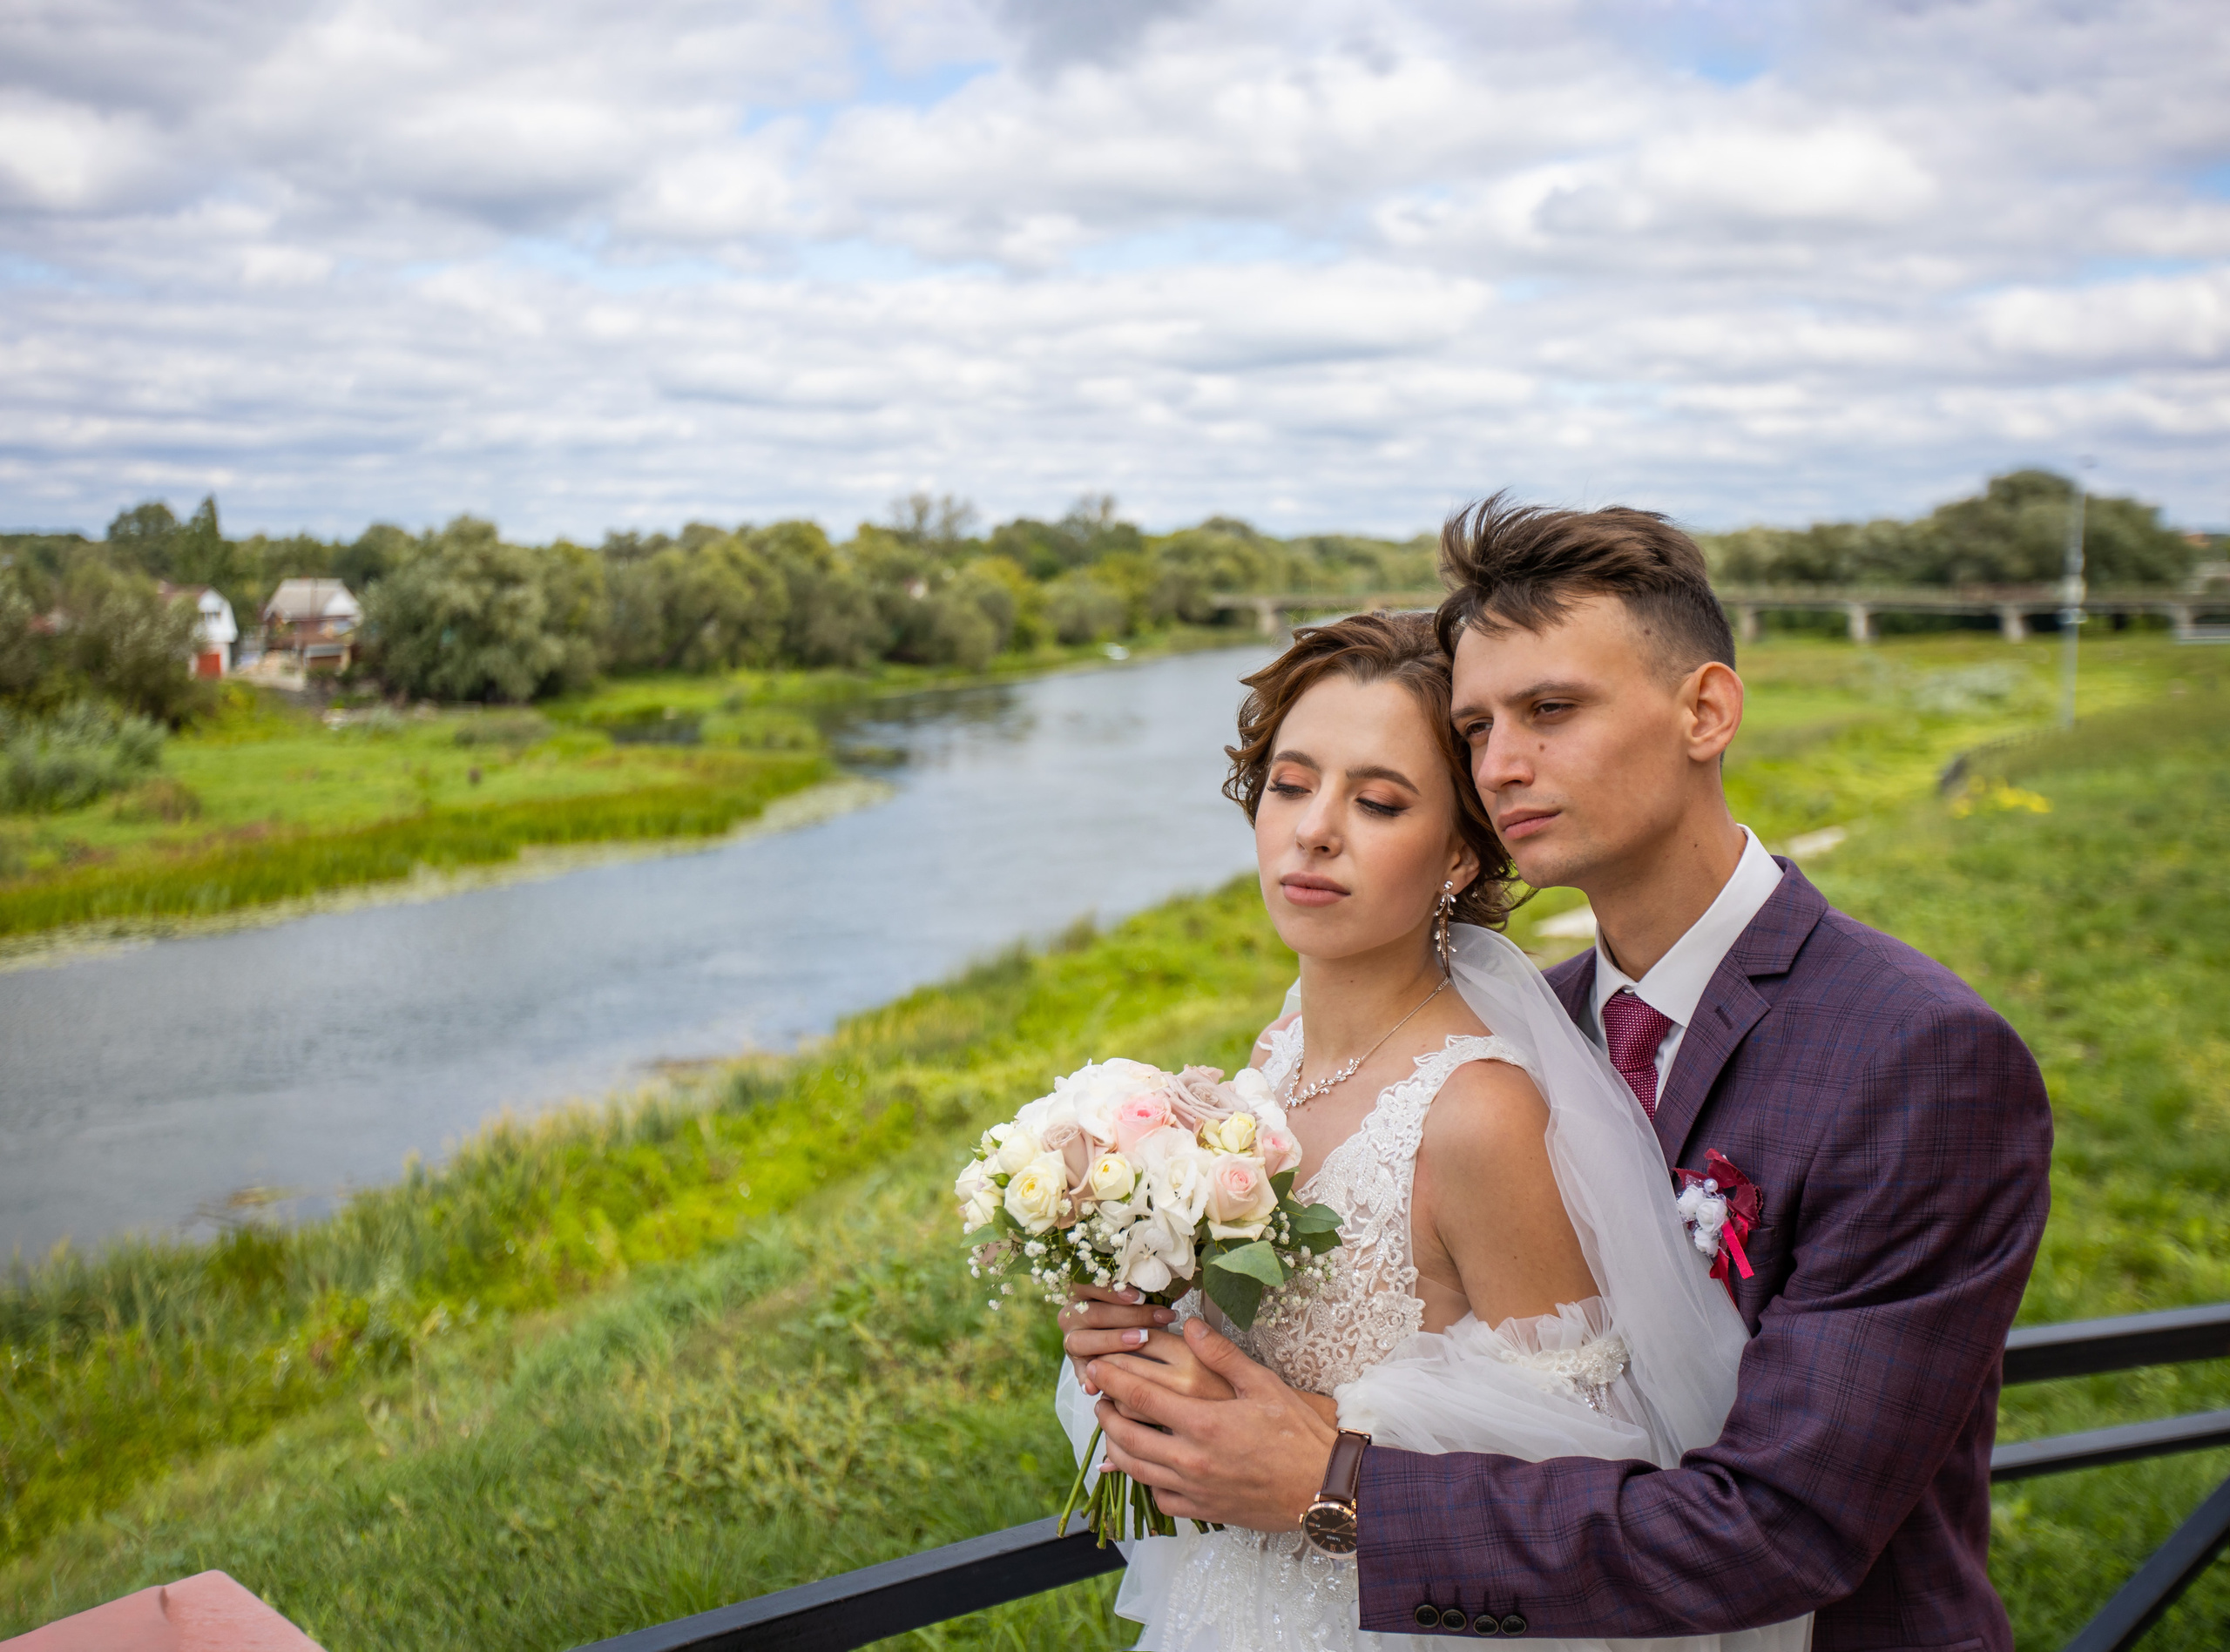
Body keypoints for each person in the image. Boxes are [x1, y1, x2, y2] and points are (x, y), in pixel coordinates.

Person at [1071, 498, 2053, 1649]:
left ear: (1706, 709)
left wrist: (1334, 1481)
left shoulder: (1918, 1058)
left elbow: (1789, 1526)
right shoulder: (1532, 1024)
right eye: (1478, 727)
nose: (1502, 764)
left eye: (1550, 711)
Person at [1056, 607, 1812, 1650]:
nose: (1314, 828)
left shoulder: (1478, 1112)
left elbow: (1597, 1465)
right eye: (1289, 782)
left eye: (1376, 801)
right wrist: (1136, 1333)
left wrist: (1330, 1449)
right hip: (1231, 1608)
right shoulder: (1271, 1059)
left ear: (1459, 856)